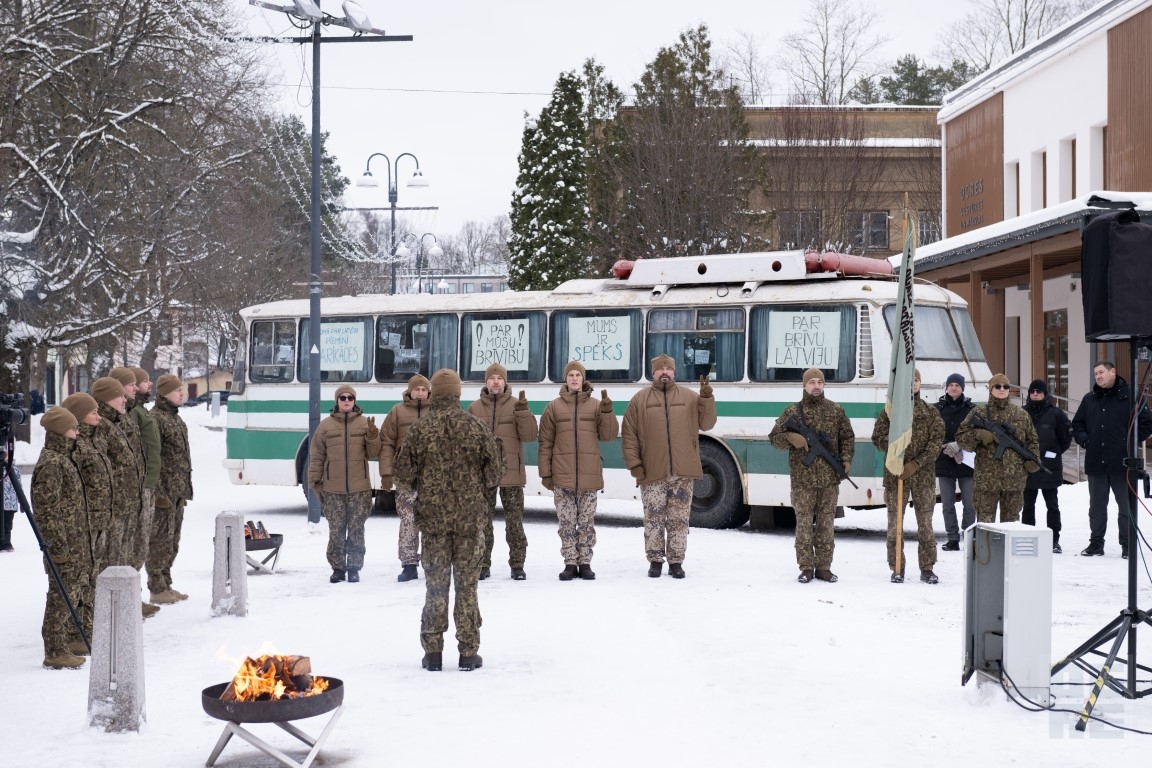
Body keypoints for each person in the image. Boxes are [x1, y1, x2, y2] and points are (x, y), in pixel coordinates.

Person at [393, 369, 503, 672]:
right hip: (470, 523)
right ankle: (468, 652)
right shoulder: (476, 427)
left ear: (434, 392)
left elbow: (402, 476)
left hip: (433, 524)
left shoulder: (419, 430)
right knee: (467, 588)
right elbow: (494, 474)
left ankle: (433, 654)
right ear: (457, 393)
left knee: (436, 588)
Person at [621, 354, 717, 579]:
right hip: (652, 471)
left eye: (668, 369)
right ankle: (655, 560)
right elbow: (629, 436)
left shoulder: (691, 397)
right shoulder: (639, 400)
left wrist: (707, 398)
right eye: (659, 369)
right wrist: (634, 464)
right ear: (653, 373)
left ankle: (676, 561)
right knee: (653, 518)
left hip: (682, 472)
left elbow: (708, 422)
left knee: (679, 519)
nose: (664, 372)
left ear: (674, 372)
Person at [768, 367, 855, 584]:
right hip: (802, 480)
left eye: (820, 382)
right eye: (812, 382)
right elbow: (774, 438)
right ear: (804, 385)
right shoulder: (792, 412)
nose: (816, 386)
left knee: (826, 525)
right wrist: (791, 438)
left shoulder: (836, 411)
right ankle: (806, 567)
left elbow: (847, 438)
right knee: (804, 525)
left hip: (829, 480)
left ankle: (824, 567)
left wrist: (845, 460)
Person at [537, 361, 619, 581]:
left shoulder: (595, 405)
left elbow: (609, 435)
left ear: (583, 380)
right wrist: (546, 473)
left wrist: (608, 411)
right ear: (566, 379)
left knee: (586, 523)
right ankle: (570, 563)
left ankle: (585, 563)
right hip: (562, 476)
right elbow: (545, 442)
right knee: (566, 523)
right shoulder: (553, 407)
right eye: (571, 375)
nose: (574, 379)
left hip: (589, 476)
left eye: (578, 375)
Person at [31, 407, 92, 670]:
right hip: (63, 544)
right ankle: (54, 650)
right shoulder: (52, 463)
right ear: (59, 432)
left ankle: (69, 640)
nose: (77, 432)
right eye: (73, 428)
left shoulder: (65, 458)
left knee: (74, 590)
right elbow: (46, 510)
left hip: (75, 541)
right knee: (61, 594)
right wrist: (58, 547)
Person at [871, 369, 945, 584]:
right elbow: (878, 438)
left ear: (920, 384)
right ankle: (897, 567)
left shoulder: (931, 413)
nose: (913, 383)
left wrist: (916, 463)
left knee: (925, 525)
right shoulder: (890, 412)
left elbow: (935, 444)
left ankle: (927, 567)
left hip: (923, 477)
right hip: (896, 475)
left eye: (916, 380)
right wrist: (895, 450)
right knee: (895, 525)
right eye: (909, 380)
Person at [1071, 361, 1152, 557]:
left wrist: (1129, 442)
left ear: (1113, 372)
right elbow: (1078, 424)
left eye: (1101, 372)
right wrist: (1085, 441)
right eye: (1095, 373)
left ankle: (1127, 545)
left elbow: (1147, 423)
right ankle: (1096, 543)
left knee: (1126, 508)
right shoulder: (1089, 399)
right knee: (1097, 508)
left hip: (1123, 464)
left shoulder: (1131, 396)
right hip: (1096, 462)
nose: (1098, 376)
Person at [467, 363, 538, 581]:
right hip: (484, 476)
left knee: (514, 523)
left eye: (499, 378)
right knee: (483, 523)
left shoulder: (518, 405)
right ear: (486, 382)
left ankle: (517, 565)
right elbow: (467, 444)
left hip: (512, 475)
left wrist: (524, 413)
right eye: (492, 378)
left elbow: (530, 436)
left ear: (505, 382)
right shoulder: (474, 409)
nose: (496, 382)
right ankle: (483, 564)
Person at [308, 384, 380, 583]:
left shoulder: (365, 424)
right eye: (343, 398)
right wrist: (314, 481)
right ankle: (338, 568)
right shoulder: (325, 426)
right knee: (336, 530)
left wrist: (373, 436)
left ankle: (354, 567)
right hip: (333, 489)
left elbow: (373, 453)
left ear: (354, 401)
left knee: (357, 529)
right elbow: (316, 455)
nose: (347, 400)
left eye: (350, 397)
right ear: (337, 401)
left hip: (360, 489)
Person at [89, 376, 149, 616]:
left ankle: (121, 609)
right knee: (109, 562)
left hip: (126, 503)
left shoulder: (115, 421)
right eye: (120, 395)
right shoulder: (101, 425)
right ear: (106, 398)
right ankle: (109, 614)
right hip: (113, 506)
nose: (125, 398)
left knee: (121, 558)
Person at [61, 392, 113, 653]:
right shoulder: (77, 447)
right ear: (80, 416)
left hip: (98, 521)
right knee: (78, 580)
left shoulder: (91, 440)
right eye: (92, 412)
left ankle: (87, 628)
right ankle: (74, 632)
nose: (98, 415)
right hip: (84, 523)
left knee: (92, 578)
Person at [956, 374, 1041, 524]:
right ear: (991, 389)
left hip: (1014, 481)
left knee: (1011, 526)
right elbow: (961, 438)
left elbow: (1033, 440)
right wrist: (978, 434)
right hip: (987, 481)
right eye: (998, 386)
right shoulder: (979, 413)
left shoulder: (1021, 414)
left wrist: (1033, 459)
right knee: (985, 526)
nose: (1002, 389)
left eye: (1006, 387)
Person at [380, 374, 431, 582]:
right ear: (409, 391)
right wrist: (386, 473)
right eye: (416, 389)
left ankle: (431, 562)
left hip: (432, 478)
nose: (420, 393)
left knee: (432, 521)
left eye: (423, 389)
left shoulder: (437, 411)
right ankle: (409, 565)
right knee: (408, 521)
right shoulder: (397, 412)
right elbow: (386, 444)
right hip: (406, 478)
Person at [147, 375, 193, 603]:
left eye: (182, 389)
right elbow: (152, 459)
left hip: (177, 492)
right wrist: (158, 493)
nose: (182, 393)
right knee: (160, 541)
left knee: (172, 541)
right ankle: (157, 588)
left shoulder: (175, 419)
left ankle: (166, 583)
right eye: (177, 390)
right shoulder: (156, 419)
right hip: (163, 493)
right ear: (164, 393)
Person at [1022, 379, 1072, 554]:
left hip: (1049, 468)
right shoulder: (1021, 413)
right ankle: (1028, 536)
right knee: (1028, 505)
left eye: (1039, 391)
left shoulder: (1056, 414)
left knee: (1052, 505)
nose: (1035, 394)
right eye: (1032, 391)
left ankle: (1054, 540)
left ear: (1045, 394)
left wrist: (1053, 452)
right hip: (1027, 467)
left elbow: (1065, 438)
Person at [935, 372, 976, 552]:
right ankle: (952, 538)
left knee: (969, 503)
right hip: (944, 461)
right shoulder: (937, 408)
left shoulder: (971, 409)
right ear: (946, 387)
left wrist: (960, 445)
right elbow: (932, 433)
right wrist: (944, 446)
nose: (954, 388)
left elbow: (976, 434)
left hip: (966, 461)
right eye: (951, 385)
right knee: (947, 504)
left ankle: (968, 535)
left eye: (957, 385)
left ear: (962, 388)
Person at [0, 447, 19, 552]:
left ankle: (6, 543)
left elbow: (18, 485)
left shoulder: (13, 467)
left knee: (8, 525)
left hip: (10, 503)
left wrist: (21, 501)